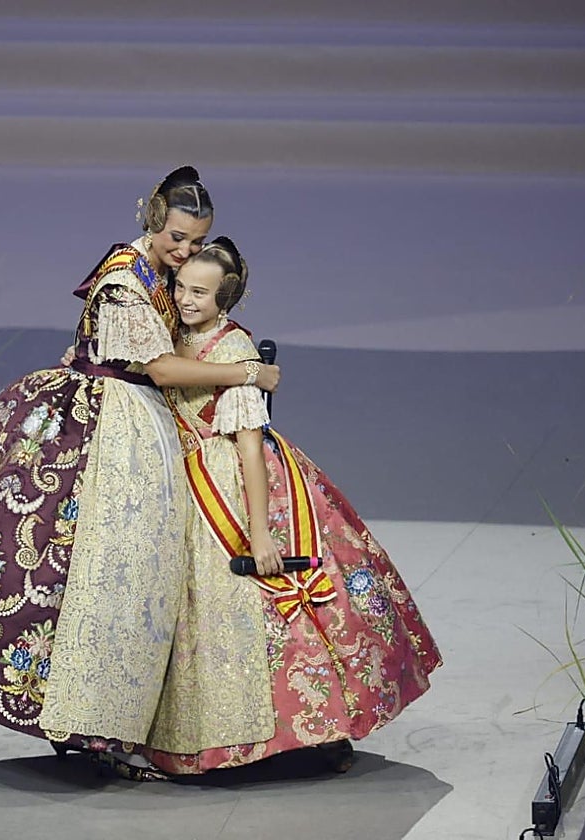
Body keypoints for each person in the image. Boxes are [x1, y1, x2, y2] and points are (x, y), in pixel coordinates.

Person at [0, 168, 280, 764]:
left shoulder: (163, 275)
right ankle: (79, 720)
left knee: (124, 577)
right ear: (153, 219)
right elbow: (159, 368)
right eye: (178, 237)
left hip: (138, 423)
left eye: (197, 241)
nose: (186, 251)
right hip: (108, 423)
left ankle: (106, 720)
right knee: (81, 567)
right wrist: (246, 372)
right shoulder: (124, 281)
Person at [140, 237, 441, 777]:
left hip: (236, 484)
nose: (186, 299)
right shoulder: (176, 335)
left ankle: (315, 730)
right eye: (181, 287)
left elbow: (251, 449)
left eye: (200, 293)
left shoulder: (234, 349)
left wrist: (259, 532)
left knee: (270, 606)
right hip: (187, 477)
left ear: (224, 300)